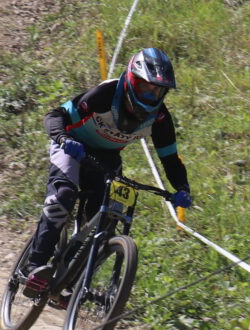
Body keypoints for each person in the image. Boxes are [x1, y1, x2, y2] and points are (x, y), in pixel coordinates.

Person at [21, 46, 193, 297]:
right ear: (132, 81)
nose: (151, 94)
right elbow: (55, 115)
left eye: (158, 90)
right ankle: (33, 266)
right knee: (64, 196)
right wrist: (62, 137)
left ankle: (68, 282)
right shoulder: (105, 95)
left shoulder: (160, 119)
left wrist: (182, 189)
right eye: (146, 86)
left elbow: (170, 160)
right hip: (72, 146)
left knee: (106, 223)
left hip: (106, 158)